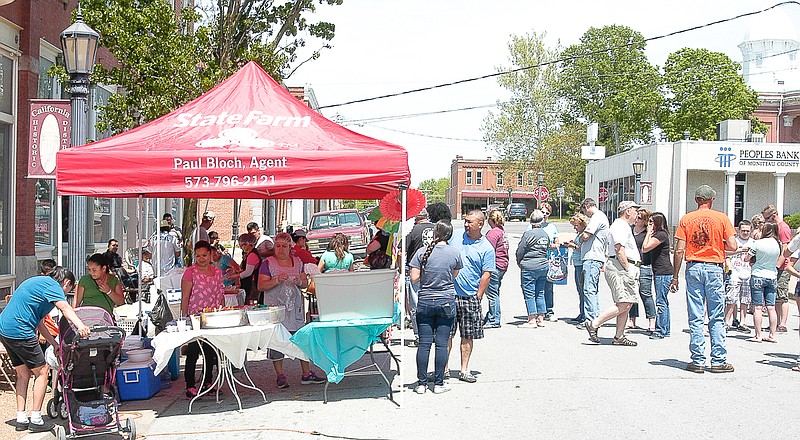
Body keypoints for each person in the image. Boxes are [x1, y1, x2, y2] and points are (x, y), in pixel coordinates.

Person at [0, 267, 90, 433]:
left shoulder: (39, 283)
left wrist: (54, 344)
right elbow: (65, 308)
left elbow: (39, 322)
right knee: (43, 371)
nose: (67, 293)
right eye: (69, 289)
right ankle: (36, 419)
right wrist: (81, 326)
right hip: (21, 330)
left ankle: (21, 418)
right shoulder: (54, 287)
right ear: (67, 283)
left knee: (23, 374)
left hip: (5, 329)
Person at [671, 185, 737, 374]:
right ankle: (718, 359)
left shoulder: (686, 219)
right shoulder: (722, 218)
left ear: (696, 199)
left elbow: (679, 249)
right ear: (712, 200)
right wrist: (718, 242)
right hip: (714, 267)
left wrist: (675, 276)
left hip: (693, 266)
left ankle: (698, 359)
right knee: (716, 315)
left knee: (696, 314)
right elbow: (732, 245)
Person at [257, 232, 326, 388]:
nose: (280, 249)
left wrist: (299, 281)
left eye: (284, 246)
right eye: (278, 246)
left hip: (295, 309)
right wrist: (275, 280)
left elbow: (304, 284)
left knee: (301, 339)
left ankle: (306, 373)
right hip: (276, 310)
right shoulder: (267, 263)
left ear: (290, 247)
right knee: (276, 342)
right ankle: (280, 375)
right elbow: (261, 286)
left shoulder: (297, 262)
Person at [410, 220, 461, 394]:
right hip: (446, 301)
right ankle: (439, 383)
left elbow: (414, 279)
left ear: (435, 233)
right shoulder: (454, 253)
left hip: (425, 301)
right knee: (441, 344)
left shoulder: (421, 253)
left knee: (424, 344)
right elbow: (454, 274)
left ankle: (421, 383)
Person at [584, 201, 640, 347]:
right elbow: (619, 248)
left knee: (625, 303)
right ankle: (594, 323)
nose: (637, 214)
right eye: (635, 210)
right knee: (625, 302)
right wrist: (628, 268)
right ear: (627, 211)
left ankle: (619, 336)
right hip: (620, 266)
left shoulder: (622, 225)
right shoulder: (620, 226)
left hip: (620, 265)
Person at [448, 209, 495, 383]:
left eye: (470, 222)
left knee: (467, 335)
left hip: (470, 297)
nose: (466, 225)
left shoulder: (486, 248)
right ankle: (444, 369)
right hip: (450, 295)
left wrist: (478, 296)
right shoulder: (456, 236)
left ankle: (464, 369)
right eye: (465, 221)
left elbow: (486, 274)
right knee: (446, 334)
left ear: (480, 224)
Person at [180, 241, 223, 398]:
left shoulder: (217, 272)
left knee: (210, 351)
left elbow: (220, 293)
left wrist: (222, 311)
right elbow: (185, 297)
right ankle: (190, 385)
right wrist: (184, 317)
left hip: (213, 316)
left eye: (204, 255)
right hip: (195, 317)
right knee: (193, 352)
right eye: (198, 256)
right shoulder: (190, 272)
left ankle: (208, 381)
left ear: (211, 255)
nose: (201, 258)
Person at [744, 221, 781, 343]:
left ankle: (758, 335)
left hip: (758, 274)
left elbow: (747, 258)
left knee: (758, 307)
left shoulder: (758, 243)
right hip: (772, 275)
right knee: (771, 307)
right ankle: (772, 334)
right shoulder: (778, 244)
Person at [578, 198, 609, 328]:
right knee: (593, 289)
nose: (585, 215)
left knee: (589, 289)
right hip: (595, 257)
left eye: (584, 211)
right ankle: (596, 318)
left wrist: (580, 238)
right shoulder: (601, 217)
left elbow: (586, 235)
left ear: (587, 206)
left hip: (592, 257)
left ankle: (591, 319)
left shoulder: (597, 217)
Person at [516, 210, 550, 328]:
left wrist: (519, 261)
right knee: (540, 292)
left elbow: (521, 250)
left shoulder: (528, 234)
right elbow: (546, 248)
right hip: (543, 265)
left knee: (529, 292)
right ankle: (541, 318)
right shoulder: (545, 234)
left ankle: (531, 319)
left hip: (529, 265)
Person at [642, 212, 673, 339]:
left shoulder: (661, 235)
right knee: (662, 301)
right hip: (658, 271)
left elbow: (645, 248)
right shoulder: (659, 235)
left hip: (663, 272)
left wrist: (648, 232)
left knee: (661, 302)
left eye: (651, 222)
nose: (649, 225)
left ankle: (661, 330)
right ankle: (665, 328)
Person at [761, 205, 792, 333]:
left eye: (767, 219)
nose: (766, 222)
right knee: (775, 297)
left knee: (782, 295)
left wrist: (777, 266)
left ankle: (783, 324)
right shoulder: (775, 228)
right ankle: (776, 323)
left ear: (773, 216)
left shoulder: (782, 228)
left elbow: (785, 250)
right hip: (773, 265)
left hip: (782, 267)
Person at [405, 208, 434, 344]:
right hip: (435, 270)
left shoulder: (412, 231)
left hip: (415, 270)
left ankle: (419, 336)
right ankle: (433, 332)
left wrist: (401, 268)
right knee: (433, 301)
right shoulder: (437, 229)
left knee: (416, 304)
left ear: (416, 218)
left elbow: (401, 251)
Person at [724, 220, 753, 333]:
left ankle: (742, 322)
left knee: (745, 300)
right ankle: (727, 321)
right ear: (738, 230)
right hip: (735, 273)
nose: (745, 233)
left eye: (747, 231)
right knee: (731, 299)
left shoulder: (753, 242)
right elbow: (726, 254)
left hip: (748, 273)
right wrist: (729, 267)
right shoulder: (734, 242)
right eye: (743, 230)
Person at [630, 208, 656, 332]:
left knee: (645, 292)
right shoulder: (630, 231)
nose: (636, 219)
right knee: (632, 293)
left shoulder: (647, 233)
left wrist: (649, 232)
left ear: (644, 220)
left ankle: (651, 319)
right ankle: (632, 319)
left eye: (639, 218)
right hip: (632, 264)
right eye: (636, 216)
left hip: (645, 265)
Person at [483, 209, 509, 328]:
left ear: (491, 220)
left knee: (492, 294)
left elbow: (488, 250)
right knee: (495, 292)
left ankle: (494, 319)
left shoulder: (493, 233)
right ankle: (491, 315)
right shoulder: (501, 231)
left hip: (495, 265)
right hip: (503, 264)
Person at [565, 213, 588, 324]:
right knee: (579, 290)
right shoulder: (579, 234)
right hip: (577, 263)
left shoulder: (585, 235)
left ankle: (585, 314)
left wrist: (573, 246)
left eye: (577, 225)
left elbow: (583, 248)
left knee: (583, 289)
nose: (575, 227)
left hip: (581, 263)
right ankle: (581, 312)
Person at [539, 202, 560, 321]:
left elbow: (557, 243)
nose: (545, 215)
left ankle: (549, 310)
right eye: (543, 212)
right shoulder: (532, 226)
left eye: (547, 213)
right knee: (538, 287)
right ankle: (539, 310)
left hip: (549, 261)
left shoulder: (552, 227)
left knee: (549, 287)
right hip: (537, 260)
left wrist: (550, 246)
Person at [227, 233, 261, 304]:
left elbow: (248, 272)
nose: (242, 248)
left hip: (252, 284)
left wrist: (235, 276)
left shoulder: (252, 255)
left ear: (248, 244)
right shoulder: (249, 254)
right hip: (249, 283)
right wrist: (236, 271)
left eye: (242, 245)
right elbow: (245, 269)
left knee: (250, 302)